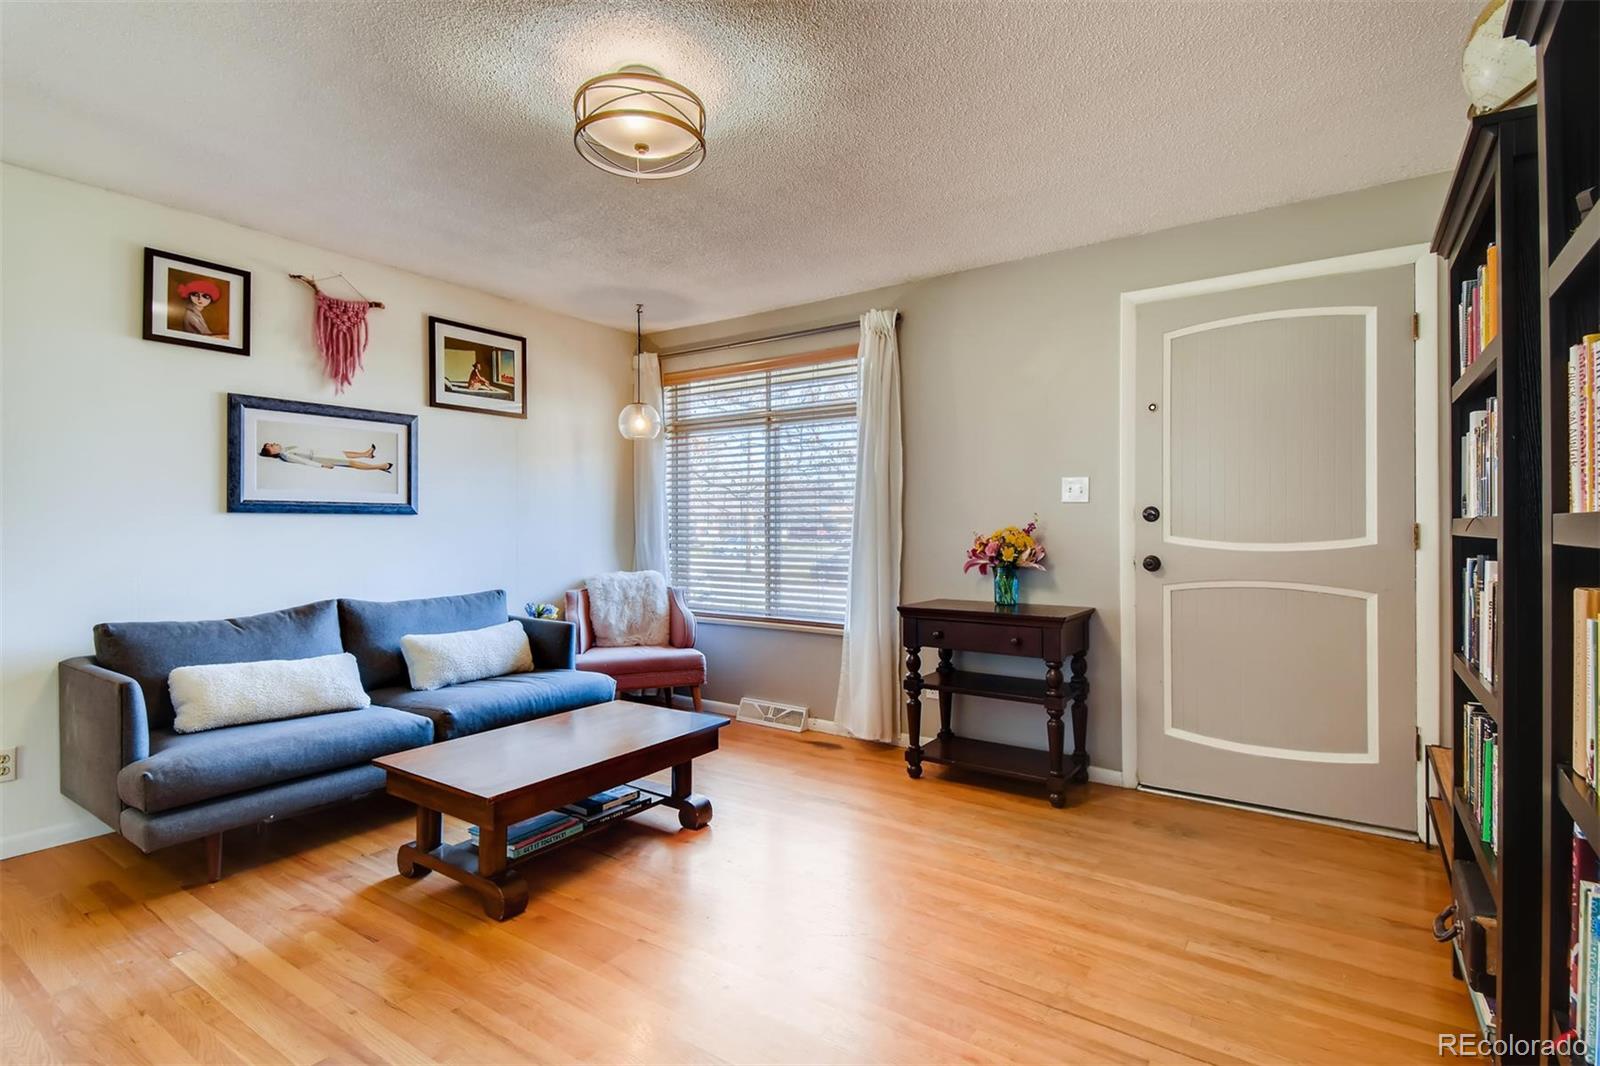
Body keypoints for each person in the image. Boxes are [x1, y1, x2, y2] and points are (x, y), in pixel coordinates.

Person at [258, 442, 392, 472]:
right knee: (348, 462)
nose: (274, 443)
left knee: (343, 453)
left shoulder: (284, 450)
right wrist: (322, 465)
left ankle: (366, 454)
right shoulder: (285, 455)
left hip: (318, 452)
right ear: (272, 453)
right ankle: (380, 466)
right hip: (319, 458)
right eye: (271, 446)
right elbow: (303, 461)